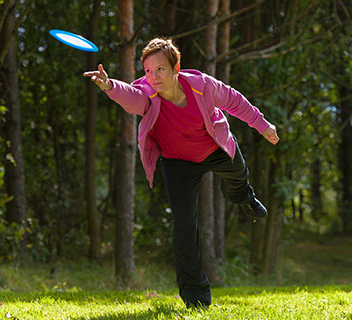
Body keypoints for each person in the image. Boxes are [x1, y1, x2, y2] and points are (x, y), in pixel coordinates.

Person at [83, 38, 279, 308]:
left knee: (238, 178)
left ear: (176, 67)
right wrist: (108, 85)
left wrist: (263, 125)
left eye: (160, 70)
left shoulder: (203, 86)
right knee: (184, 230)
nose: (153, 77)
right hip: (178, 163)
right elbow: (130, 98)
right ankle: (196, 298)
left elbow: (234, 100)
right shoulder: (146, 94)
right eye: (148, 71)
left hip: (215, 148)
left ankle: (243, 197)